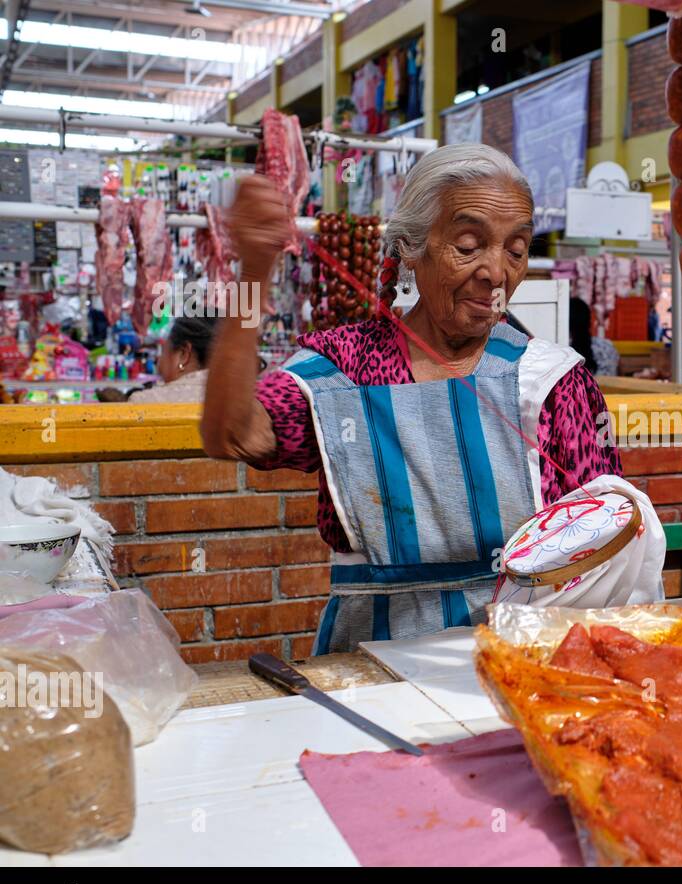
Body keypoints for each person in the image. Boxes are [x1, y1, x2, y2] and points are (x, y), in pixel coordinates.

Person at [202, 143, 623, 653]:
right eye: (469, 245)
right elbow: (231, 433)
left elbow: (603, 541)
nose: (496, 272)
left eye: (515, 250)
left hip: (520, 659)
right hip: (368, 667)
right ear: (411, 248)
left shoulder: (553, 381)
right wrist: (254, 270)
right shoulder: (347, 367)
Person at [128, 310, 216, 403]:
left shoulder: (143, 402)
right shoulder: (228, 402)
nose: (158, 364)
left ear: (183, 354)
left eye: (163, 351)